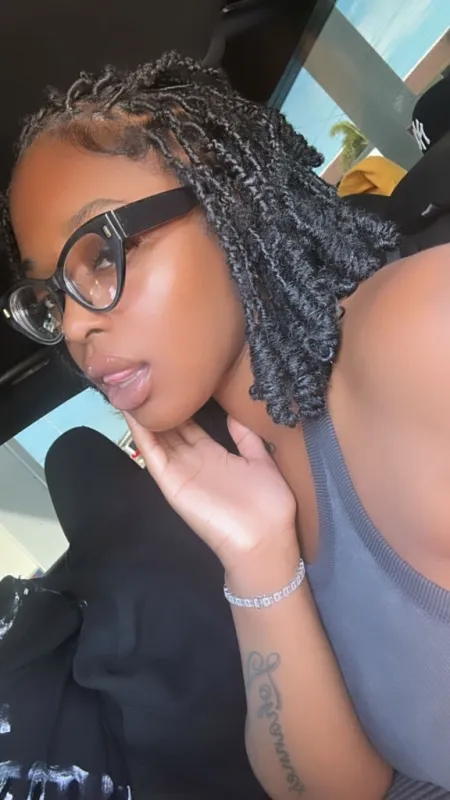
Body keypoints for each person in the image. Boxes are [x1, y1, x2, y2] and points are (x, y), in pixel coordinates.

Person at [1, 51, 450, 799]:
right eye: (51, 298)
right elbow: (340, 791)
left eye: (101, 254)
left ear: (226, 198)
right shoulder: (233, 477)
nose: (74, 326)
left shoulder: (423, 334)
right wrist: (257, 557)